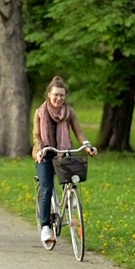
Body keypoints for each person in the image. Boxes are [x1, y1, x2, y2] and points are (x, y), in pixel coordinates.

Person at [32, 76, 97, 244]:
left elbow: (79, 132)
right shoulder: (39, 112)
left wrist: (87, 145)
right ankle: (46, 227)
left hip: (63, 152)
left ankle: (71, 198)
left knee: (71, 179)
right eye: (55, 95)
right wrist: (39, 150)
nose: (58, 98)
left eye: (61, 95)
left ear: (65, 96)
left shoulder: (70, 112)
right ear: (48, 94)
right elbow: (37, 135)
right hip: (45, 154)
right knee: (46, 188)